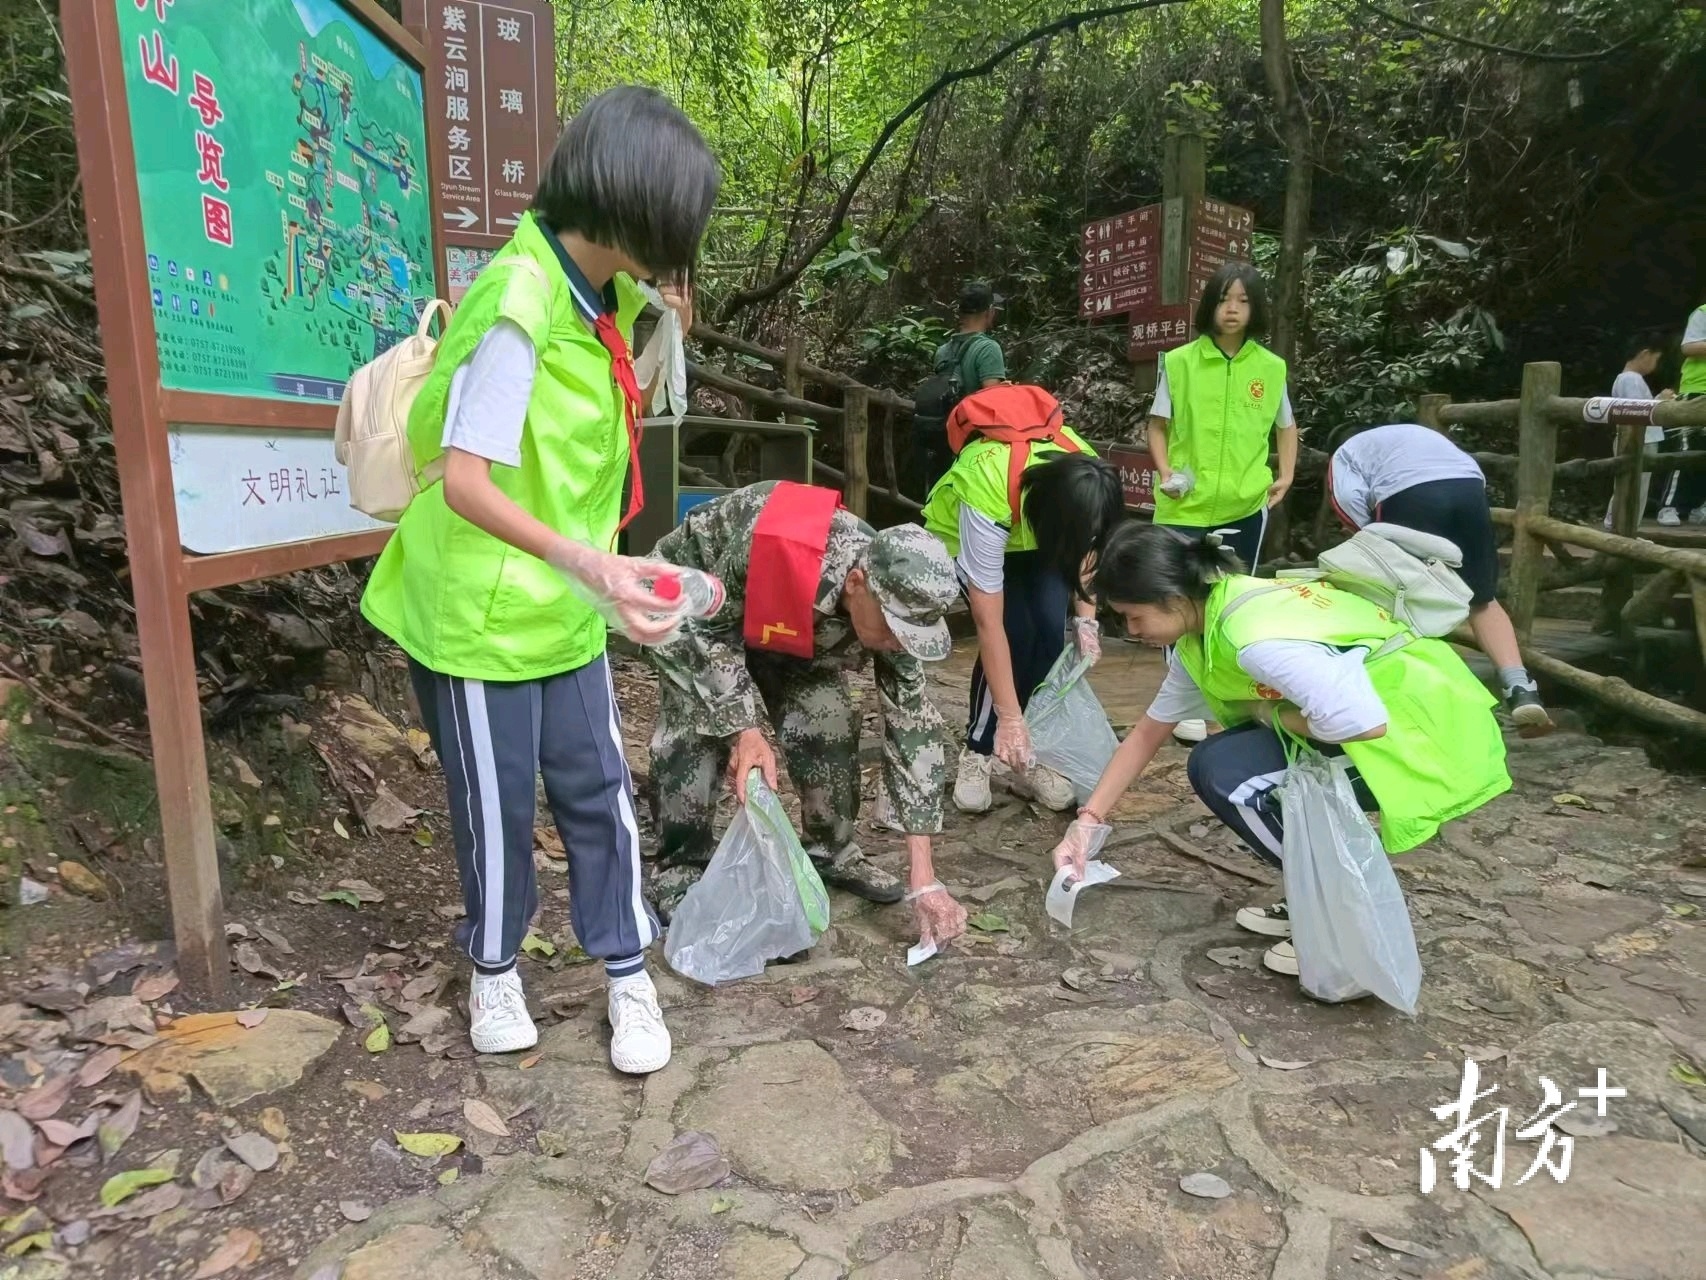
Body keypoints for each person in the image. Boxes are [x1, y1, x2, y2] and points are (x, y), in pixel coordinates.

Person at [359, 87, 720, 1070]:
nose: (678, 254)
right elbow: (468, 483)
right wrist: (590, 563)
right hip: (476, 611)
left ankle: (625, 969)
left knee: (600, 789)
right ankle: (493, 967)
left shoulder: (601, 299)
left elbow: (581, 467)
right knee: (496, 801)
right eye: (673, 225)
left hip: (560, 607)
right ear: (628, 202)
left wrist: (612, 579)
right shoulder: (519, 302)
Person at [1050, 524, 1510, 978]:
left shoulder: (1253, 638)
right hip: (1393, 722)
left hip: (1423, 738)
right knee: (1227, 760)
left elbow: (1361, 723)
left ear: (1173, 599)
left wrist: (1267, 715)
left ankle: (1342, 922)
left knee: (1228, 773)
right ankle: (1317, 898)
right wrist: (1087, 823)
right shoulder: (1205, 628)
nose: (1131, 631)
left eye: (1134, 617)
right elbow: (1148, 733)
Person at [645, 483, 968, 953]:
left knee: (828, 718)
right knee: (695, 732)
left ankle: (832, 850)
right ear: (856, 584)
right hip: (693, 609)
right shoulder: (777, 551)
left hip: (791, 633)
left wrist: (924, 878)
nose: (900, 643)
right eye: (895, 630)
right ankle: (682, 866)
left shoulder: (899, 597)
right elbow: (707, 633)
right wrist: (745, 731)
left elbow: (913, 726)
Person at [921, 393, 1126, 814]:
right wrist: (1009, 717)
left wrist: (1086, 619)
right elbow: (987, 623)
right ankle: (980, 749)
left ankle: (1032, 754)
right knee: (1014, 630)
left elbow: (1088, 547)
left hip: (1040, 532)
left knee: (1050, 630)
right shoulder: (986, 489)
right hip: (980, 534)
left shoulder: (1085, 473)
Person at [1148, 262, 1298, 743]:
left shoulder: (1270, 369)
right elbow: (1157, 424)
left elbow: (1286, 425)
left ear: (1255, 310)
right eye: (1224, 299)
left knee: (1226, 600)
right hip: (1183, 507)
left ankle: (1215, 691)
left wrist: (1287, 474)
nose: (1232, 309)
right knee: (1177, 600)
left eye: (1244, 301)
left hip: (1243, 504)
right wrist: (1166, 471)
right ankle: (1184, 702)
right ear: (1210, 306)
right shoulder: (1179, 362)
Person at [1326, 422, 1550, 733]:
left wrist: (1368, 540)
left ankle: (1423, 697)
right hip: (1469, 488)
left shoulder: (1344, 454)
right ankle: (1520, 688)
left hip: (1407, 494)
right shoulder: (1412, 434)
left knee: (1405, 600)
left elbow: (1348, 504)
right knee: (1481, 599)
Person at [912, 282, 1008, 496]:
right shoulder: (988, 348)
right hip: (972, 447)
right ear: (989, 312)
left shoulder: (942, 351)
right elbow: (994, 403)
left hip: (942, 439)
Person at [1602, 333, 1673, 530]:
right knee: (1635, 488)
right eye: (1656, 359)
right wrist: (1661, 401)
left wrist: (1657, 398)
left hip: (1638, 440)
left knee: (1629, 485)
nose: (1655, 365)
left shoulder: (1625, 379)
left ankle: (1619, 525)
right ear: (1645, 354)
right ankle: (1625, 526)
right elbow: (1638, 411)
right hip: (1640, 441)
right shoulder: (1631, 380)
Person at [1656, 303, 1706, 526]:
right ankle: (1669, 506)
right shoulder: (1703, 312)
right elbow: (1689, 346)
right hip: (1697, 390)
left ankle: (1699, 507)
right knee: (1687, 451)